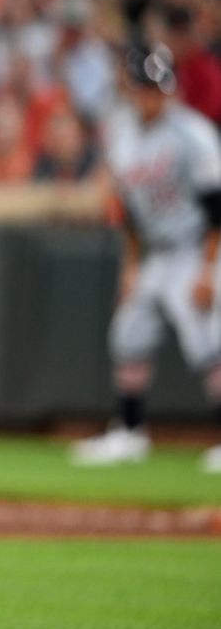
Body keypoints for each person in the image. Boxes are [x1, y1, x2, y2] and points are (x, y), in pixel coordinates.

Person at [72, 46, 221, 473]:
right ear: (133, 89)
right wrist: (131, 266)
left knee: (207, 342)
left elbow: (217, 208)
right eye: (146, 88)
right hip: (155, 254)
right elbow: (131, 214)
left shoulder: (193, 134)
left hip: (198, 247)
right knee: (128, 335)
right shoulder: (122, 135)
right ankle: (130, 433)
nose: (153, 97)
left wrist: (209, 270)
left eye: (159, 89)